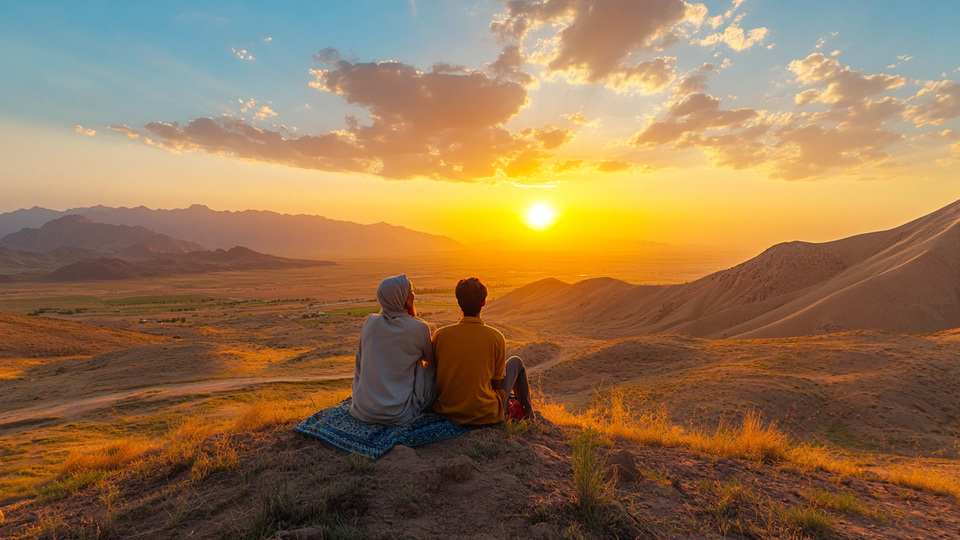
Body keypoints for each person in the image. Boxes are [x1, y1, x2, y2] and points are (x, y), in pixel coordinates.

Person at [431, 277, 534, 425]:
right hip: (485, 413)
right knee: (516, 362)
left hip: (446, 411)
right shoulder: (495, 337)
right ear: (484, 302)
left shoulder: (440, 335)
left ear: (459, 303)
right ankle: (530, 417)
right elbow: (496, 385)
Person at [349, 274, 436, 426]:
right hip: (398, 413)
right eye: (411, 291)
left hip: (363, 409)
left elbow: (359, 363)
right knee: (430, 368)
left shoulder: (370, 321)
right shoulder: (419, 327)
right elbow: (431, 359)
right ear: (402, 298)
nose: (414, 294)